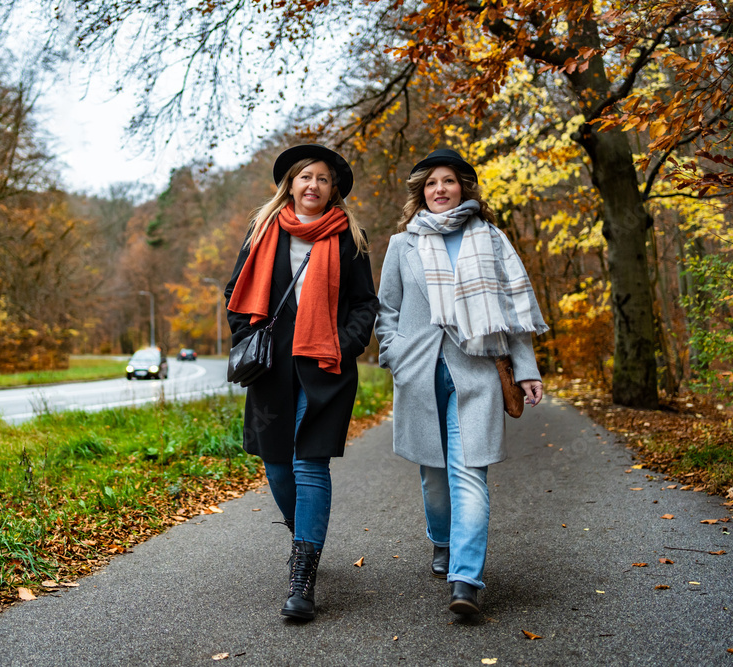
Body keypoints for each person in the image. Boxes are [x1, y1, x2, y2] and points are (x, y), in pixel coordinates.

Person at [374, 148, 548, 616]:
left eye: (448, 181)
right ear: (421, 192)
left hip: (478, 370)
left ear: (463, 188)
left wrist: (526, 368)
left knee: (470, 472)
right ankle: (442, 540)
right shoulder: (401, 244)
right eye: (431, 183)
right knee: (434, 478)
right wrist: (393, 353)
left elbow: (514, 312)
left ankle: (465, 579)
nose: (440, 189)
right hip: (419, 372)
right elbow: (386, 309)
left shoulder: (491, 239)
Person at [224, 144, 378, 621]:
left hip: (325, 369)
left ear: (334, 191)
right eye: (305, 176)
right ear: (290, 183)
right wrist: (250, 336)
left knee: (310, 466)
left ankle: (303, 579)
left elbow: (364, 305)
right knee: (277, 469)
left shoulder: (349, 237)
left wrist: (342, 344)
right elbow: (235, 292)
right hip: (271, 371)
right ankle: (301, 534)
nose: (313, 185)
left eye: (323, 179)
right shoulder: (262, 231)